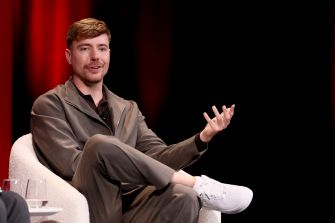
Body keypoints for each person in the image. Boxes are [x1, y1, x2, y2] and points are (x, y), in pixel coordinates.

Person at [30, 17, 253, 223]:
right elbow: (74, 166)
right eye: (85, 49)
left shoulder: (128, 108)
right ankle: (199, 184)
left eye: (102, 48)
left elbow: (159, 158)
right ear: (69, 55)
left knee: (183, 197)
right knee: (98, 145)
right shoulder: (49, 105)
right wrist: (134, 172)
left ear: (109, 54)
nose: (95, 57)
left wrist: (200, 139)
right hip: (90, 203)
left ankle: (192, 188)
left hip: (132, 205)